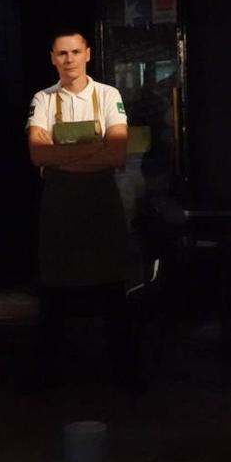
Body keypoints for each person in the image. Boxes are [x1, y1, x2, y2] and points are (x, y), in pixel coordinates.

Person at [26, 29, 141, 390]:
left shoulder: (108, 94)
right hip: (59, 206)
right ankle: (48, 379)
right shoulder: (42, 99)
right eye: (62, 53)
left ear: (88, 54)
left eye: (75, 51)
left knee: (112, 289)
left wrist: (60, 157)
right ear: (52, 58)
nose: (69, 59)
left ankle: (124, 377)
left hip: (100, 203)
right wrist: (94, 150)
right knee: (55, 292)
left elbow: (118, 153)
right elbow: (37, 154)